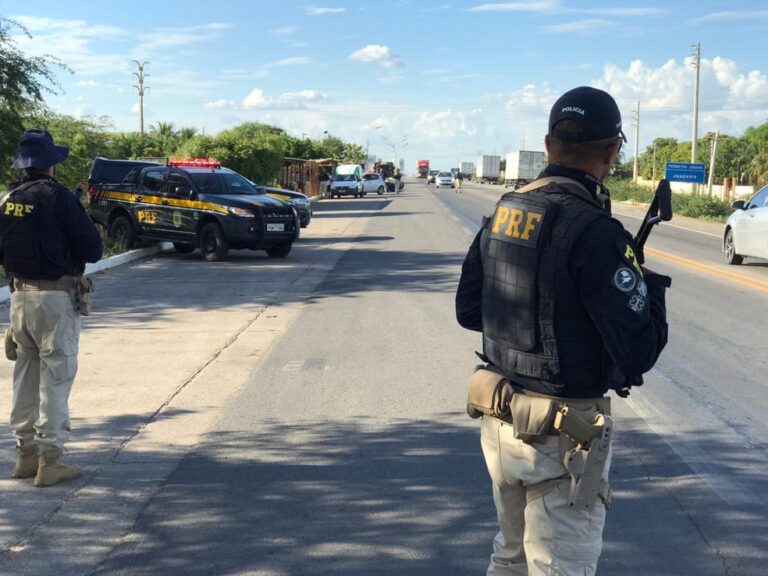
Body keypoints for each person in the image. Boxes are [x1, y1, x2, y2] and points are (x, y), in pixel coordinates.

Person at [456, 87, 671, 575]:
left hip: (501, 422)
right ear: (611, 153)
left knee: (509, 558)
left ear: (549, 145)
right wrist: (649, 287)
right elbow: (638, 353)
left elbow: (469, 310)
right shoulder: (596, 232)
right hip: (563, 443)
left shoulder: (505, 212)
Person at [0, 130, 103, 487]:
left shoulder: (7, 199)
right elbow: (92, 251)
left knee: (24, 377)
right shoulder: (60, 199)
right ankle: (50, 459)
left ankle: (25, 456)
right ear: (52, 165)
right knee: (55, 378)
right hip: (56, 301)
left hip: (18, 298)